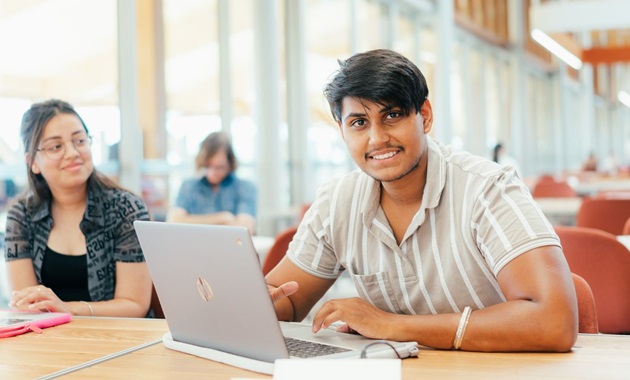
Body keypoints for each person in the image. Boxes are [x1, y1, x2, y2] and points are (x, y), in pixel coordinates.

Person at [266, 49, 577, 352]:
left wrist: (392, 325)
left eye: (392, 115)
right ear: (342, 130)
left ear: (424, 116)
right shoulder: (337, 202)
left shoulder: (487, 190)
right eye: (359, 123)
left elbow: (554, 321)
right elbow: (287, 301)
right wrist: (253, 301)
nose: (376, 139)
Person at [3, 99, 152, 317]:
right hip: (50, 341)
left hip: (120, 339)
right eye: (56, 146)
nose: (73, 152)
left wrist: (68, 309)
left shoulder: (126, 208)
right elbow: (26, 306)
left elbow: (135, 305)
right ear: (32, 161)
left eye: (80, 140)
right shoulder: (21, 215)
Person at [167, 131, 257, 233]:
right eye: (207, 166)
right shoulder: (189, 186)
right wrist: (223, 218)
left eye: (219, 167)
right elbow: (174, 221)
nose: (212, 173)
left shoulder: (245, 187)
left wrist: (191, 221)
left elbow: (245, 227)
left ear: (230, 163)